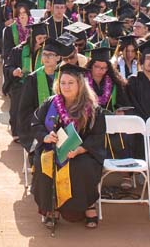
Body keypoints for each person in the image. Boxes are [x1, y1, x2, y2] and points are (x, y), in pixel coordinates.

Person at [29, 61, 106, 229]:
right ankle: (52, 206)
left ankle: (87, 205)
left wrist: (80, 149)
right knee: (45, 163)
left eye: (71, 83)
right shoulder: (51, 103)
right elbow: (36, 124)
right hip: (52, 149)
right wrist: (46, 136)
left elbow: (98, 136)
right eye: (63, 82)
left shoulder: (92, 108)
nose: (66, 86)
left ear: (80, 84)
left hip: (82, 152)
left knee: (82, 166)